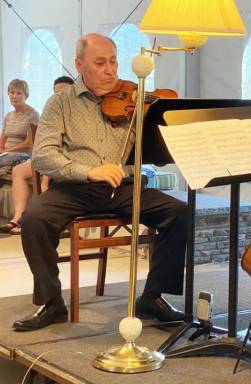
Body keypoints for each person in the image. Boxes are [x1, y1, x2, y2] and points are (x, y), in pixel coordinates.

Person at [13, 33, 188, 331]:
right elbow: (42, 156)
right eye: (100, 63)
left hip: (123, 188)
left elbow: (156, 156)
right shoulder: (60, 103)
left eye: (114, 62)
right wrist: (88, 171)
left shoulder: (133, 99)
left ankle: (152, 297)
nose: (111, 70)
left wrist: (161, 133)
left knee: (179, 212)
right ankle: (52, 301)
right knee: (34, 219)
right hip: (74, 189)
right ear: (80, 65)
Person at [0, 76, 74, 235]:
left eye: (64, 92)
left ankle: (44, 222)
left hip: (67, 159)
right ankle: (18, 218)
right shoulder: (53, 113)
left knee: (47, 176)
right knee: (18, 171)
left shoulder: (77, 114)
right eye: (56, 93)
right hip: (47, 156)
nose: (60, 96)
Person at [0, 79, 39, 175]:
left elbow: (28, 143)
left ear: (26, 95)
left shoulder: (33, 114)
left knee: (7, 158)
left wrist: (6, 151)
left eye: (19, 93)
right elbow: (3, 138)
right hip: (6, 153)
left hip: (23, 154)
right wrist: (1, 149)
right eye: (12, 92)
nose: (14, 96)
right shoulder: (8, 115)